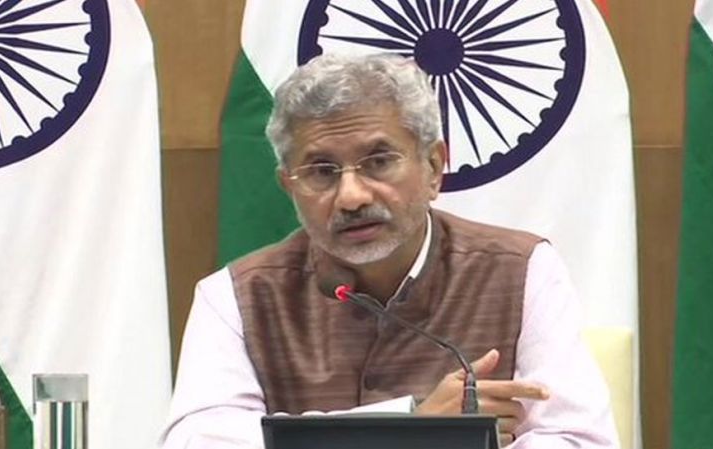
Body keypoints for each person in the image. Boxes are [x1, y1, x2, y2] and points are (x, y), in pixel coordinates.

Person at [160, 53, 619, 449]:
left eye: (378, 162)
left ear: (434, 166)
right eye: (321, 171)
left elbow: (579, 440)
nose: (351, 196)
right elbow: (199, 441)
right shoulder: (236, 295)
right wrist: (414, 425)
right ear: (288, 186)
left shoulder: (521, 270)